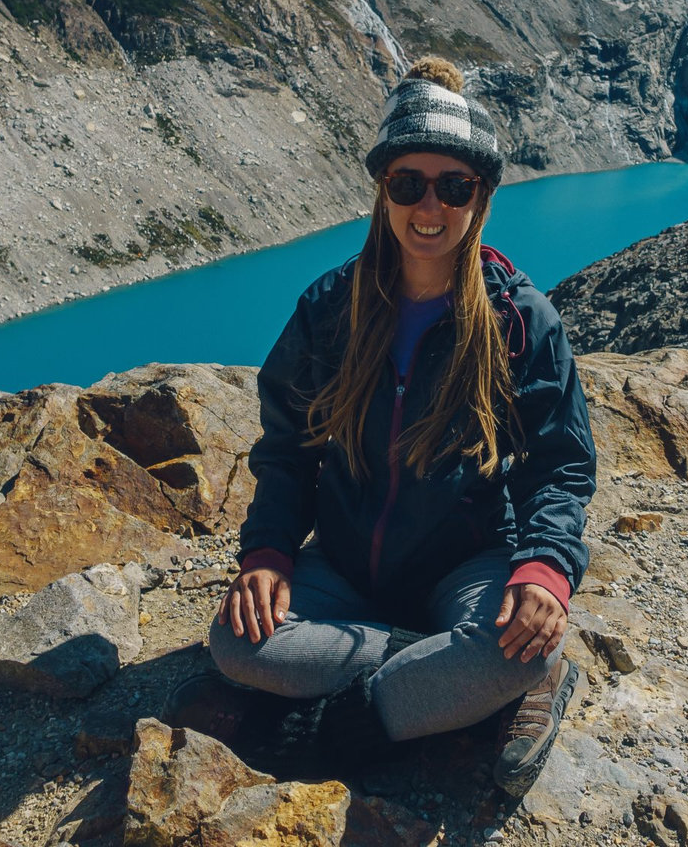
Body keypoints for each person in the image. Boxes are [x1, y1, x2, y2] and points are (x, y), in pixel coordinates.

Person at [165, 57, 597, 797]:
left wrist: (545, 572)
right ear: (382, 189)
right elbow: (287, 449)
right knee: (236, 643)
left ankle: (340, 727)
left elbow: (559, 464)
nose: (429, 207)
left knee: (514, 650)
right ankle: (446, 681)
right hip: (346, 563)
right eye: (407, 183)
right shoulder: (332, 307)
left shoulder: (520, 319)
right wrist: (267, 553)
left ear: (481, 196)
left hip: (467, 563)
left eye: (453, 186)